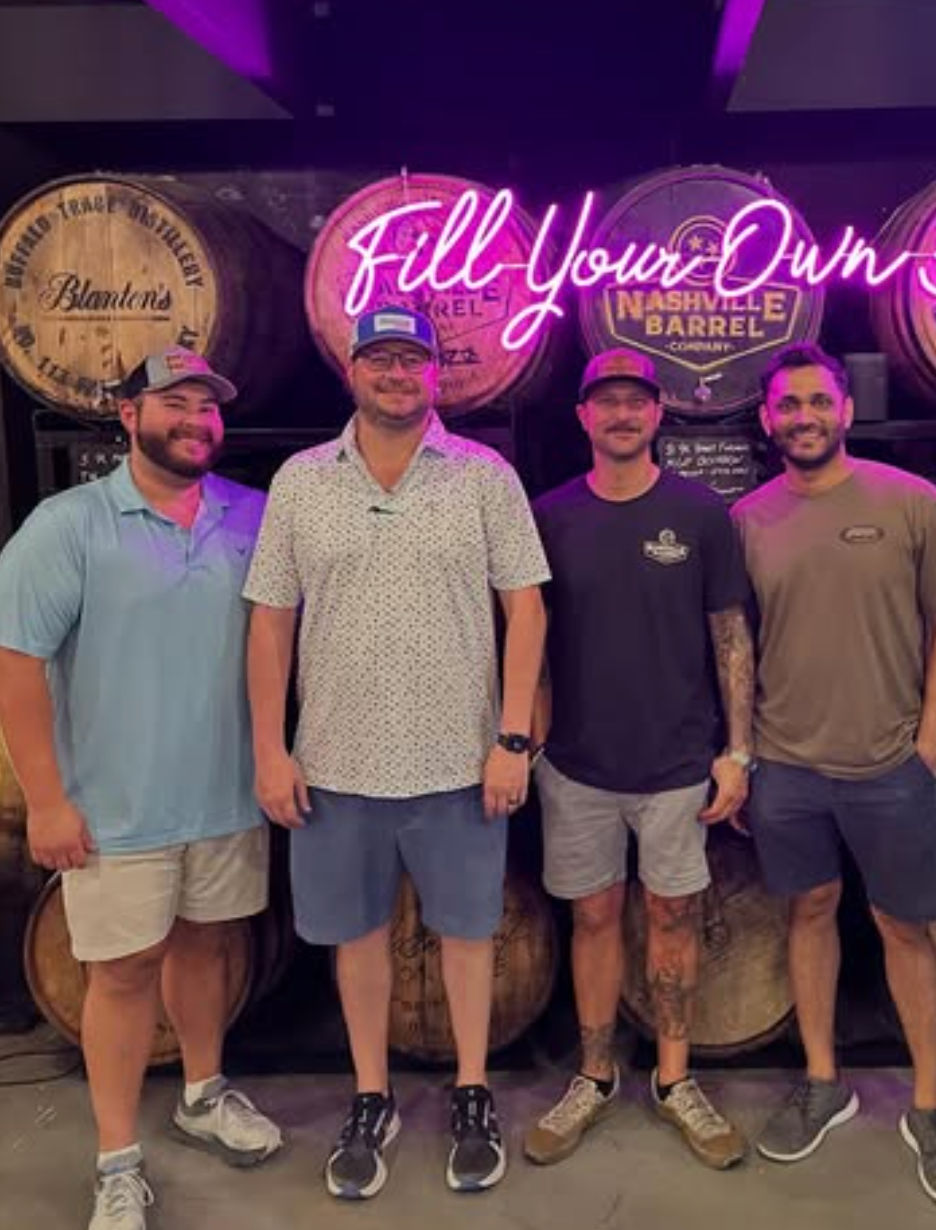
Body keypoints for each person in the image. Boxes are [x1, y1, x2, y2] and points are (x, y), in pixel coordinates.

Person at [243, 306, 548, 1199]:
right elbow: (270, 621)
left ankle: (472, 1090)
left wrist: (513, 739)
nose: (394, 374)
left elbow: (526, 609)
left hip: (461, 762)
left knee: (466, 937)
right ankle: (370, 1095)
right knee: (359, 940)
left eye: (410, 359)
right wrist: (270, 748)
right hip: (335, 762)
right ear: (351, 370)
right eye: (377, 358)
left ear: (435, 373)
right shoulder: (301, 482)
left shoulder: (484, 476)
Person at [0, 348, 282, 1230]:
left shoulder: (253, 516)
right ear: (128, 415)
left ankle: (203, 1093)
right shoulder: (68, 523)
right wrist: (46, 801)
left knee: (206, 951)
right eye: (174, 402)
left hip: (226, 796)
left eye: (208, 405)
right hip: (116, 810)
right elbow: (16, 670)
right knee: (121, 978)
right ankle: (116, 1159)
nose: (196, 419)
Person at [731, 342, 936, 1208]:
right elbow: (737, 646)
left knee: (905, 929)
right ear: (766, 420)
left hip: (890, 766)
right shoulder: (747, 519)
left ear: (845, 407)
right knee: (810, 911)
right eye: (786, 406)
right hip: (786, 767)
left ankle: (928, 1104)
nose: (802, 417)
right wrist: (744, 755)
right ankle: (823, 1082)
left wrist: (931, 747)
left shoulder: (913, 504)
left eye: (816, 401)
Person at [523, 348, 753, 1170]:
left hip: (679, 767)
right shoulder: (549, 515)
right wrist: (531, 737)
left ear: (659, 415)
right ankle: (594, 1075)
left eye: (636, 402)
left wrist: (738, 752)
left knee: (672, 918)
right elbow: (529, 639)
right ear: (582, 417)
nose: (622, 415)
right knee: (590, 917)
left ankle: (674, 1078)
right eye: (606, 402)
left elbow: (730, 634)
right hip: (577, 766)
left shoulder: (700, 513)